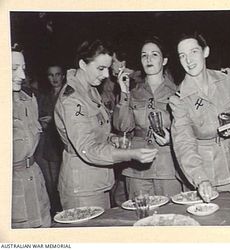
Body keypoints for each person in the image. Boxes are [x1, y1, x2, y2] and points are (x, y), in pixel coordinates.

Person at [54, 39, 158, 210]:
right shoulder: (72, 100)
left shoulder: (90, 90)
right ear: (82, 64)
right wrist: (131, 154)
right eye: (100, 69)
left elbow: (96, 129)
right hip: (82, 188)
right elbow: (88, 148)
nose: (106, 75)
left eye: (108, 69)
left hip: (98, 182)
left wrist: (112, 139)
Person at [170, 32, 230, 202]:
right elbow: (184, 142)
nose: (188, 60)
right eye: (182, 56)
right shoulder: (179, 98)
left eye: (193, 52)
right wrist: (200, 179)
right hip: (201, 172)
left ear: (206, 52)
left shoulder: (226, 80)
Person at [113, 36, 182, 199]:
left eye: (154, 54)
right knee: (140, 216)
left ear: (164, 60)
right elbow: (123, 126)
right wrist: (124, 92)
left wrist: (172, 138)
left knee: (170, 217)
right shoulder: (133, 92)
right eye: (144, 55)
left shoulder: (177, 91)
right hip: (137, 166)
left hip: (167, 166)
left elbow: (186, 129)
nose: (148, 59)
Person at [12, 43, 51, 228]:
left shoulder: (29, 101)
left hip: (36, 185)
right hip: (13, 195)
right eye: (13, 68)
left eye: (23, 68)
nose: (21, 75)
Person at [37, 63, 65, 215]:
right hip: (47, 144)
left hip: (61, 145)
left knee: (58, 182)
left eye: (57, 74)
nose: (54, 78)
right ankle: (54, 212)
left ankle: (61, 211)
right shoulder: (45, 96)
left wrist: (52, 122)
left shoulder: (67, 95)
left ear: (63, 76)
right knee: (49, 184)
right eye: (51, 75)